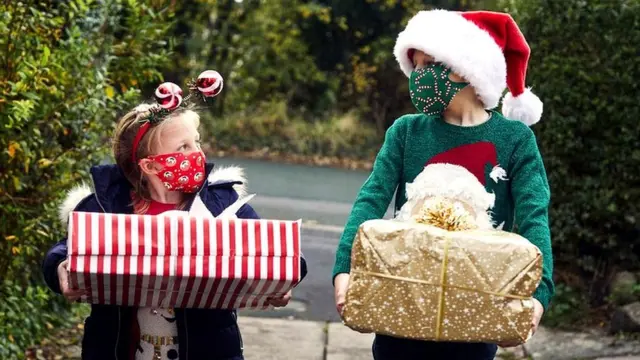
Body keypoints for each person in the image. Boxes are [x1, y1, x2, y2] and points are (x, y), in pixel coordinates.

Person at [332, 9, 554, 360]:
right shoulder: (406, 131)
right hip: (402, 303)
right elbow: (371, 199)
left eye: (428, 64)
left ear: (465, 67)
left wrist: (538, 295)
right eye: (415, 66)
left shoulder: (515, 140)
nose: (417, 76)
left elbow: (533, 219)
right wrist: (344, 269)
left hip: (477, 312)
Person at [43, 78, 307, 360]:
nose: (198, 153)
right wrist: (60, 266)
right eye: (183, 147)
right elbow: (64, 250)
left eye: (197, 142)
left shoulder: (220, 201)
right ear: (151, 165)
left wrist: (283, 280)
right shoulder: (109, 206)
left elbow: (274, 252)